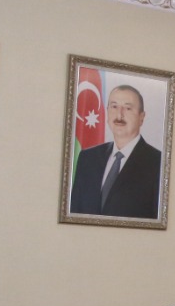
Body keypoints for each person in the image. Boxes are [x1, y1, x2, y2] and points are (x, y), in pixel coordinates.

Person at [69, 84, 162, 218]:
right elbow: (74, 213)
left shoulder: (158, 163)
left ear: (141, 117)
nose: (119, 115)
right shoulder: (87, 158)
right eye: (114, 106)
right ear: (107, 112)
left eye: (128, 108)